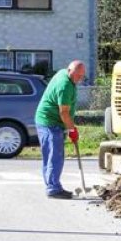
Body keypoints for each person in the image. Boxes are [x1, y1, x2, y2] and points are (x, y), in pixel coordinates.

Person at [34, 60, 85, 199]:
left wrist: (70, 128)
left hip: (48, 121)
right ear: (69, 71)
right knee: (55, 155)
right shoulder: (65, 86)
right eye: (77, 76)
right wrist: (72, 130)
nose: (79, 79)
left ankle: (52, 185)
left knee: (51, 155)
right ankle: (53, 188)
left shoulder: (64, 73)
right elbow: (64, 112)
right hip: (50, 122)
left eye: (81, 76)